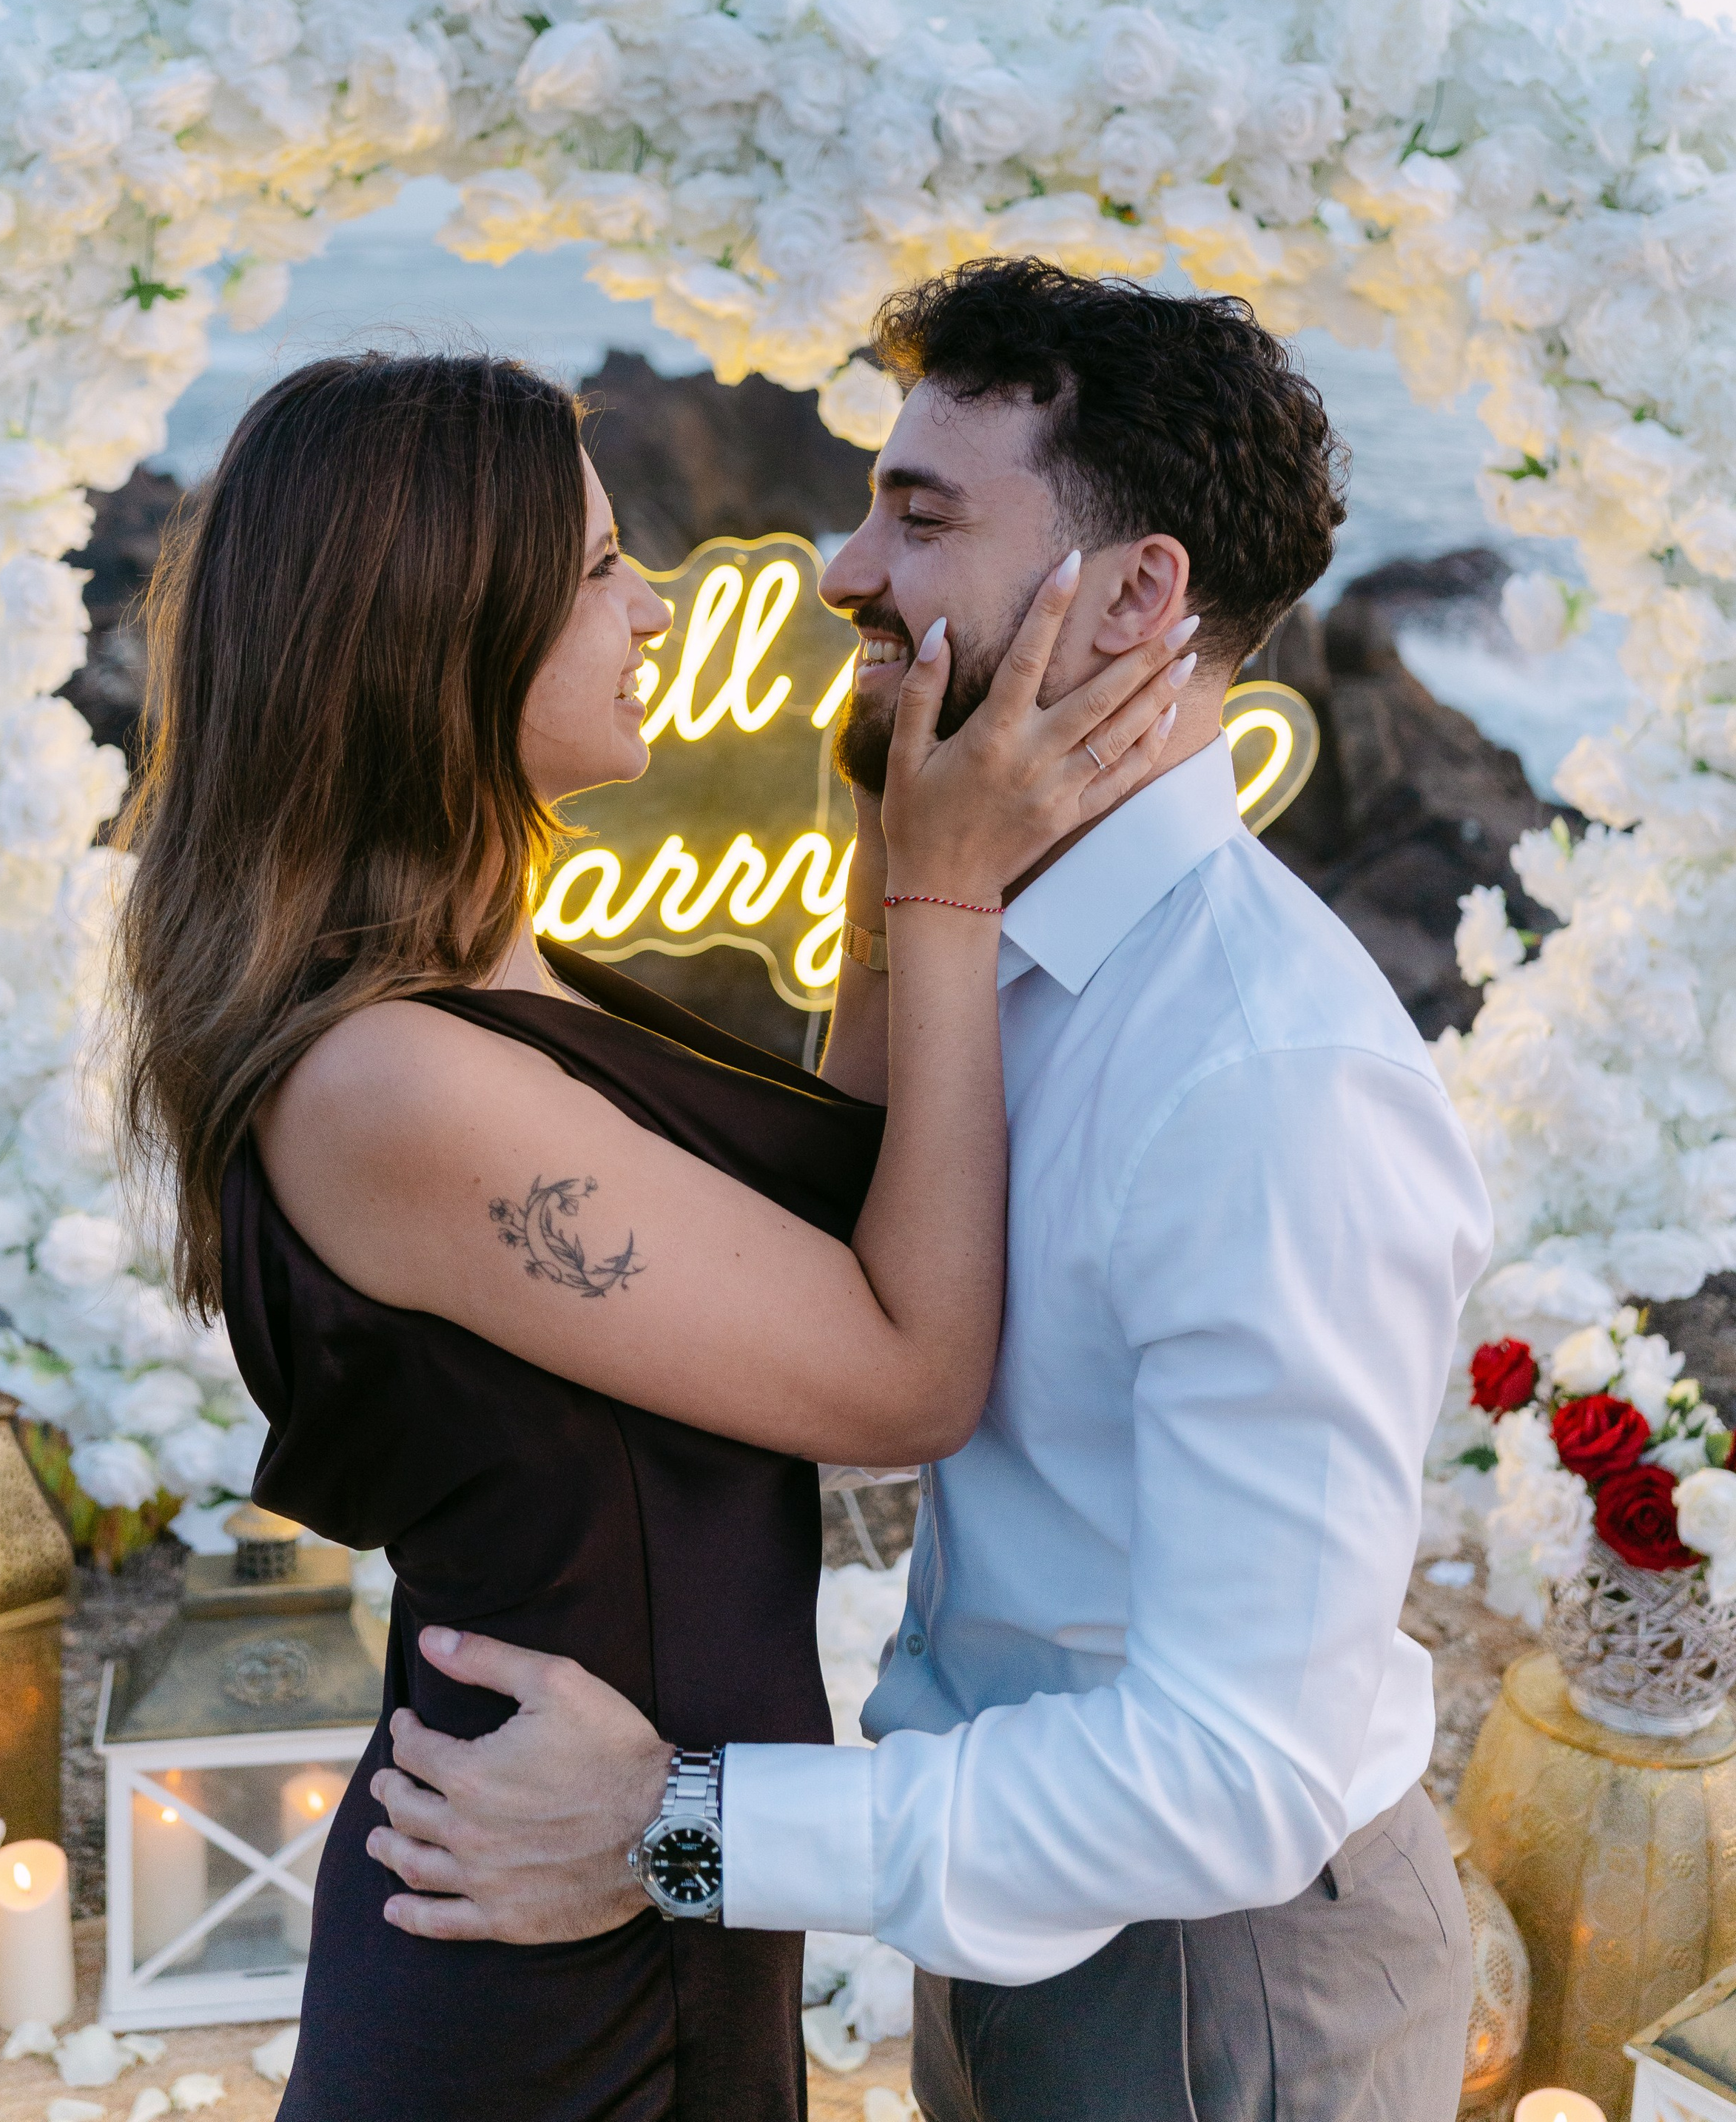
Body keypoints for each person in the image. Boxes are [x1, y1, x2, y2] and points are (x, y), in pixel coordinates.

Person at [366, 264, 1496, 2122]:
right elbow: (841, 1302)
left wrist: (678, 1829)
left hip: (1210, 1989)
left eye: (921, 514)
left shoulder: (1268, 1083)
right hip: (1004, 1906)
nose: (837, 571)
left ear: (1136, 596)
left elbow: (1235, 1774)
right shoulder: (995, 951)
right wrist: (909, 895)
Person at [110, 343, 1179, 2122]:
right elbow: (903, 1374)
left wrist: (877, 811)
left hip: (632, 1851)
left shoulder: (476, 965)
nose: (658, 613)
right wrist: (947, 886)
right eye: (603, 571)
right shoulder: (396, 1083)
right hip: (538, 1964)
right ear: (434, 639)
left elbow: (840, 1186)